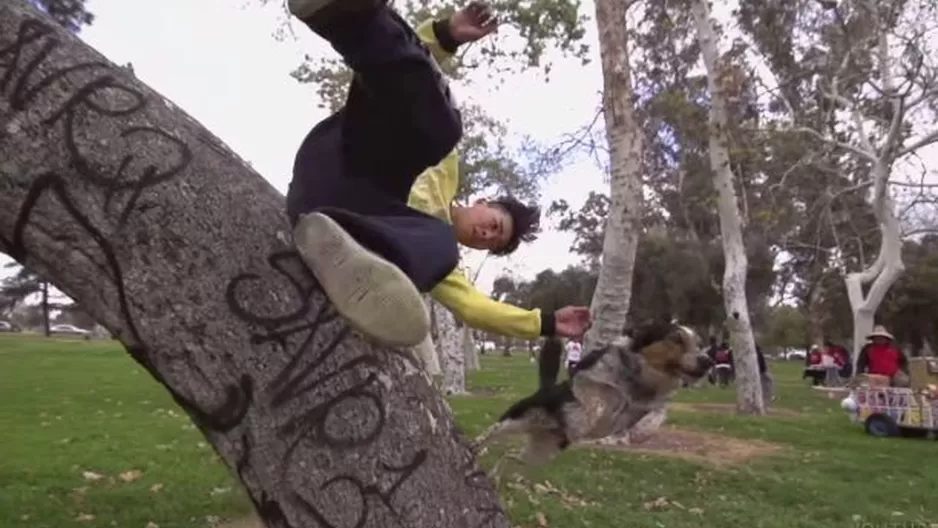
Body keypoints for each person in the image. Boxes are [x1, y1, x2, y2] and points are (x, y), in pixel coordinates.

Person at [283, 0, 592, 348]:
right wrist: (446, 36)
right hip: (337, 166)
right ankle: (341, 16)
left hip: (324, 218)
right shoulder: (446, 164)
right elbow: (412, 91)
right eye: (495, 224)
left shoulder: (432, 250)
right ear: (483, 201)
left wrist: (546, 323)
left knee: (440, 248)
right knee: (443, 126)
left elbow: (477, 309)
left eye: (492, 241)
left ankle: (346, 263)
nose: (487, 234)